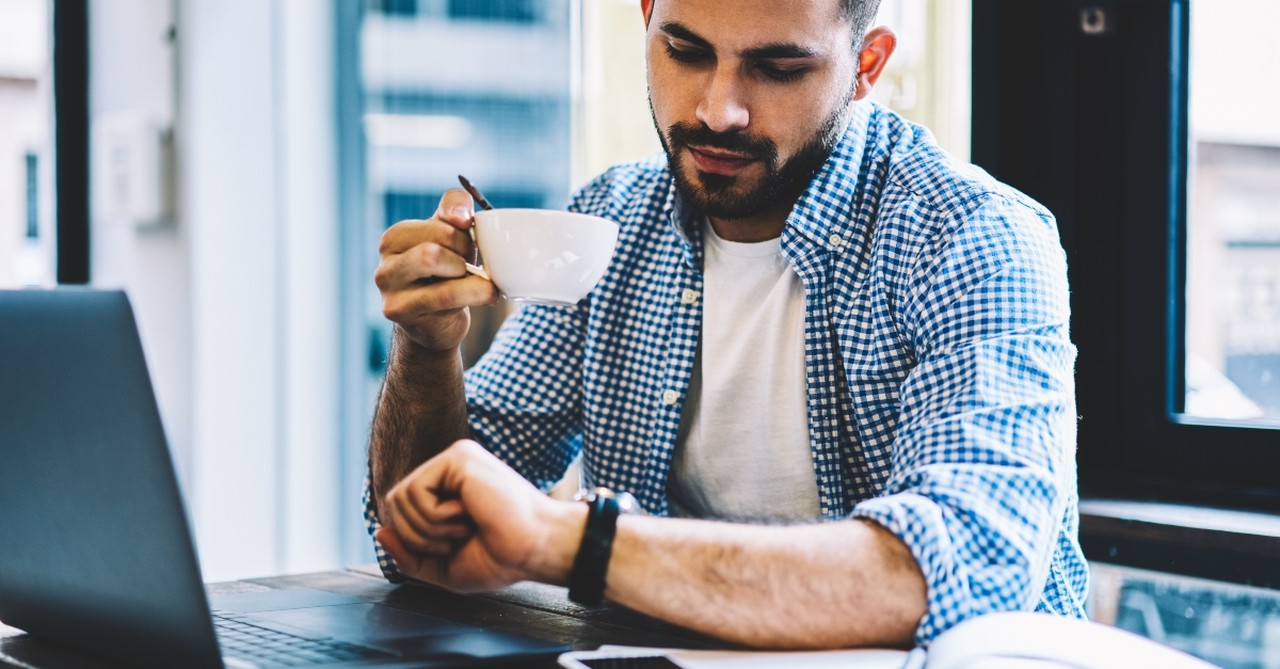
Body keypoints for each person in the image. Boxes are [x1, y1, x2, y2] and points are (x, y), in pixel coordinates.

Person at [364, 0, 1087, 650]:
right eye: (686, 51)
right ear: (646, 20)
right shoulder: (614, 221)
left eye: (778, 68)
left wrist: (576, 544)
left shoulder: (973, 238)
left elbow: (962, 571)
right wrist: (428, 350)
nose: (719, 110)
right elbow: (422, 537)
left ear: (866, 65)